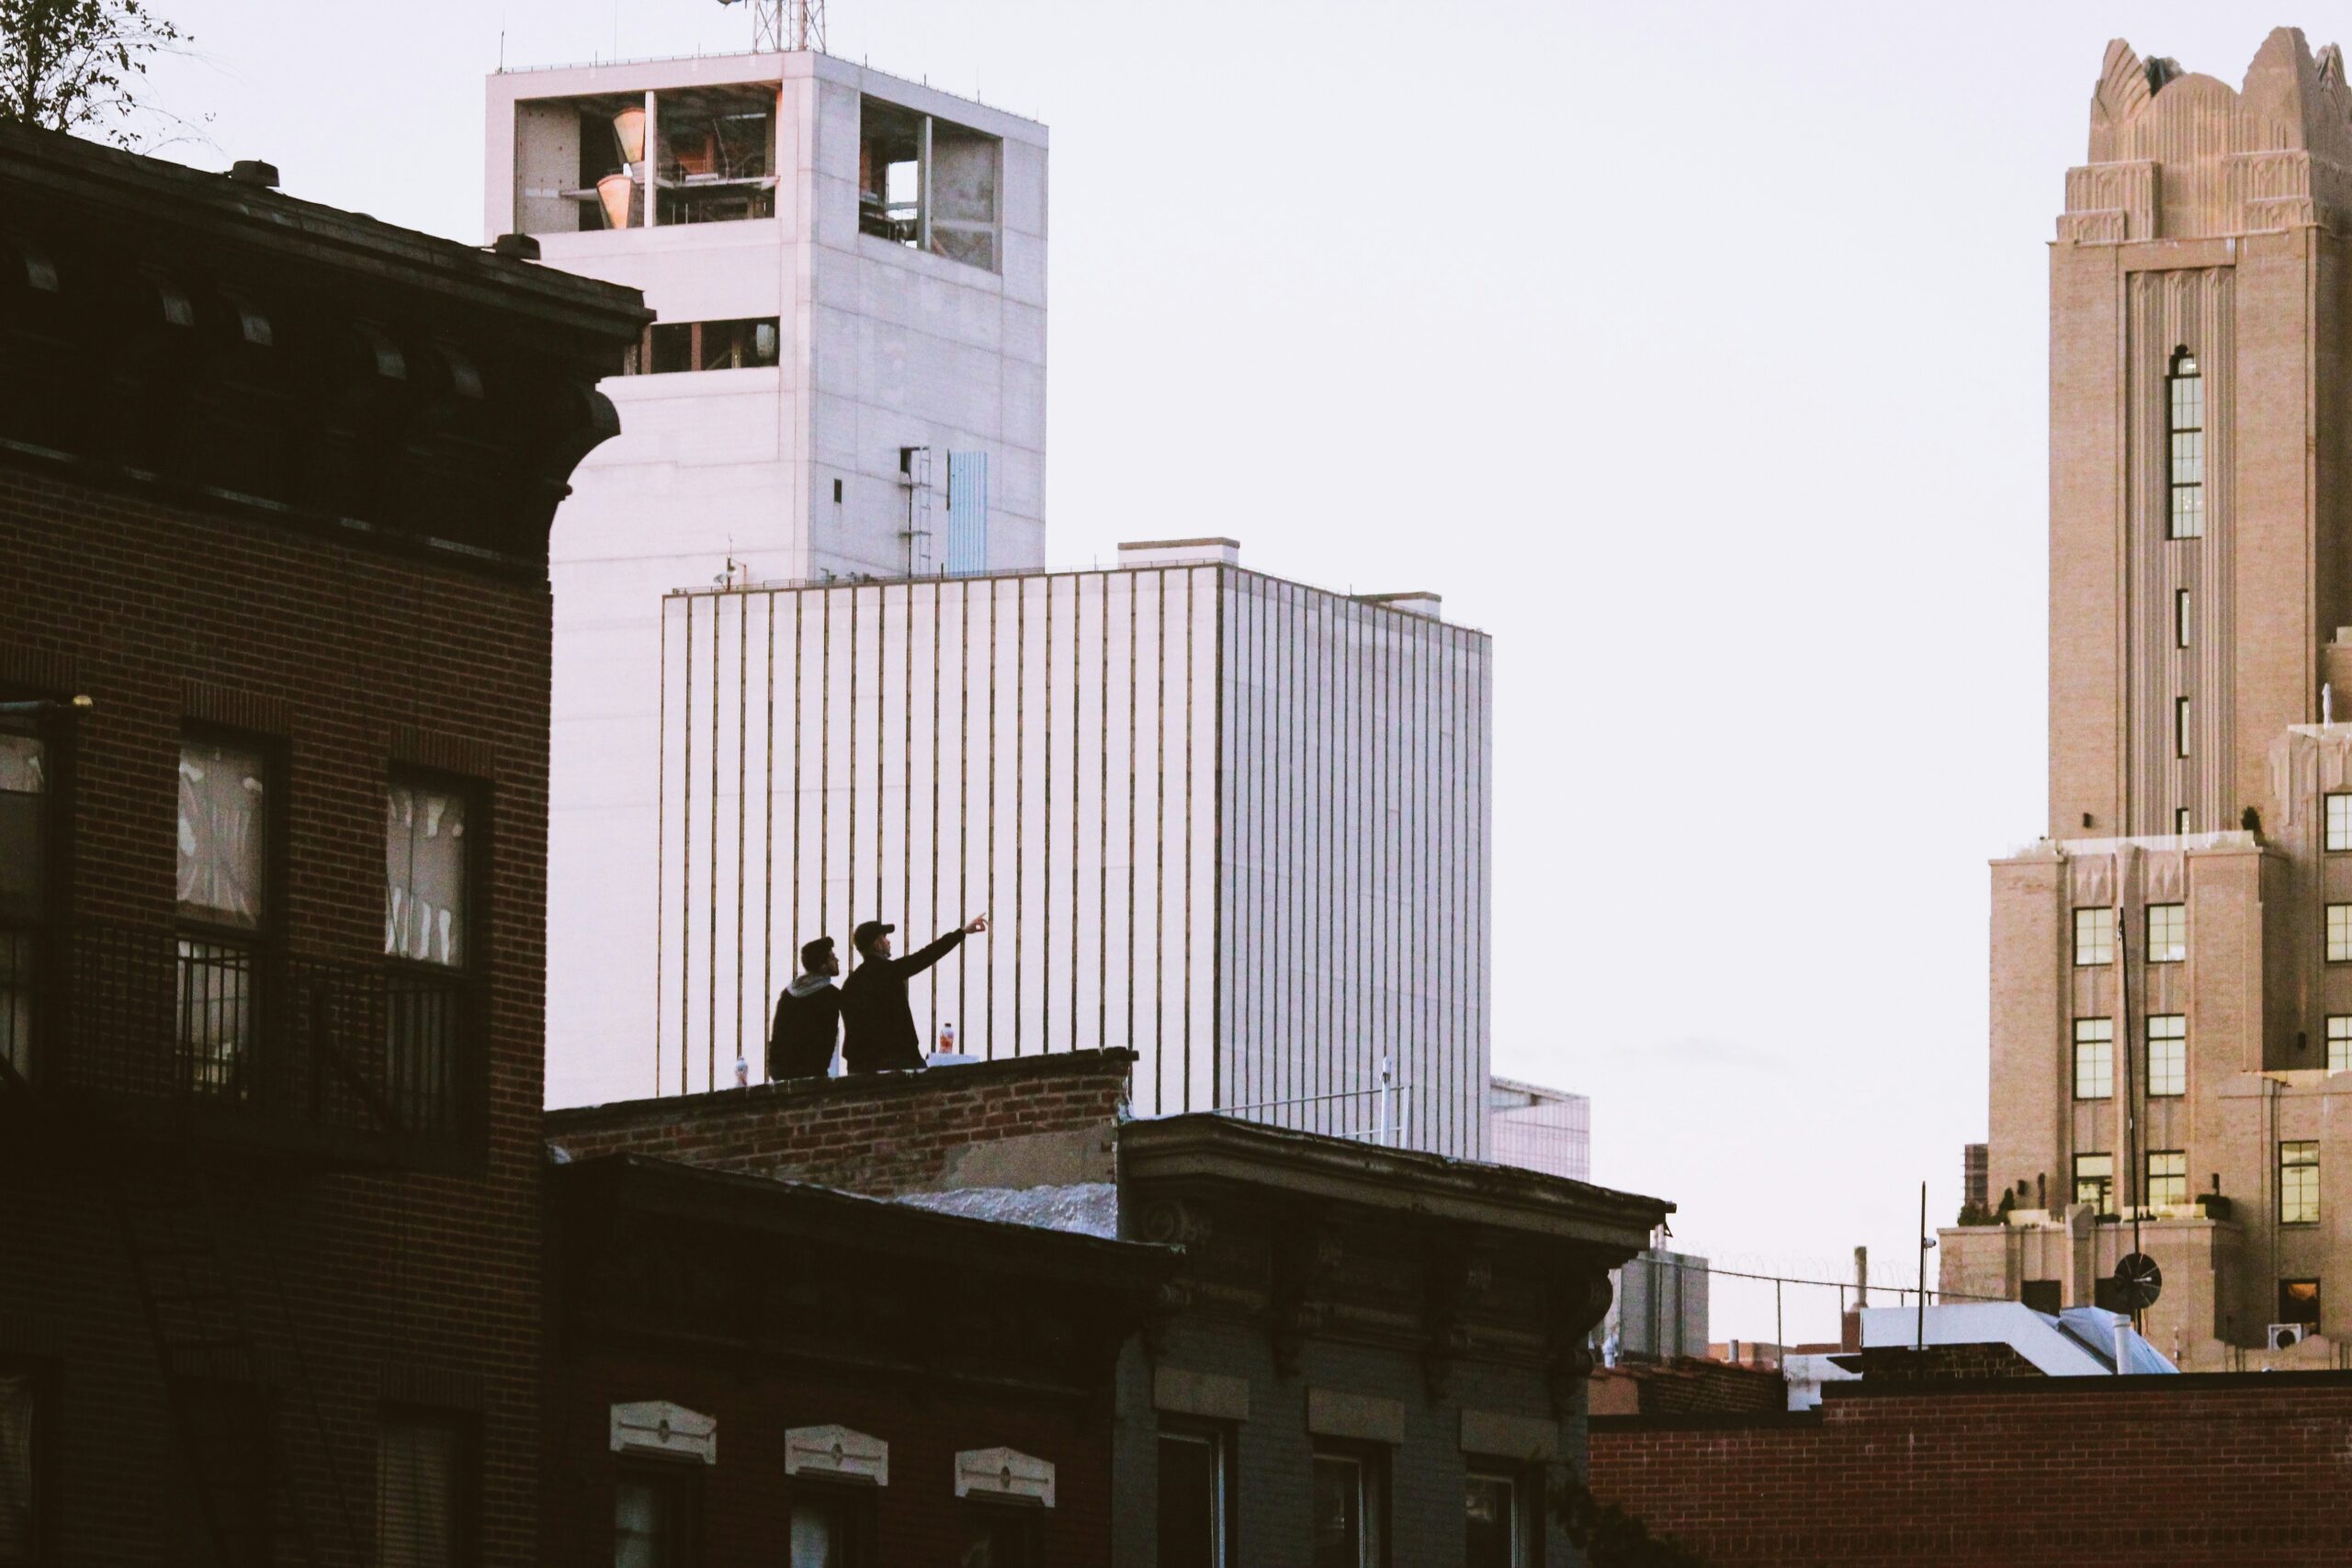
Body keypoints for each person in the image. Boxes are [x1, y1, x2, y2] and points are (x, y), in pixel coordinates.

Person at [841, 913, 986, 1074]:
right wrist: (962, 932)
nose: (888, 942)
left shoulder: (850, 984)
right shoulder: (889, 972)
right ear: (876, 944)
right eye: (884, 938)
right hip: (898, 1060)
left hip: (862, 1066)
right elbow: (926, 955)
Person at [768, 936, 842, 1081]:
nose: (837, 960)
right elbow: (828, 1037)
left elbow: (778, 1034)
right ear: (823, 966)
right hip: (810, 1071)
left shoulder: (789, 992)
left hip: (781, 1070)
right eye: (832, 957)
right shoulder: (830, 994)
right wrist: (821, 1069)